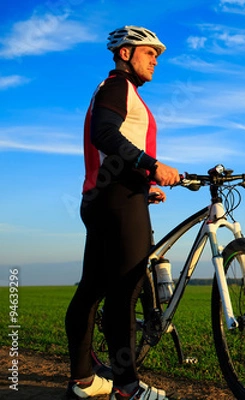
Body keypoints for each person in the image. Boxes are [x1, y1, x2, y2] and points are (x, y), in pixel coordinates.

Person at [65, 26, 179, 400]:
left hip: (107, 198)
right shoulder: (117, 88)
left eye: (158, 56)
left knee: (92, 291)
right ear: (126, 53)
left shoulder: (114, 90)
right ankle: (128, 387)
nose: (156, 60)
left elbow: (112, 151)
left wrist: (144, 183)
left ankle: (83, 380)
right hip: (115, 201)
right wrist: (153, 164)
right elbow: (105, 135)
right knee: (124, 293)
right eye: (150, 53)